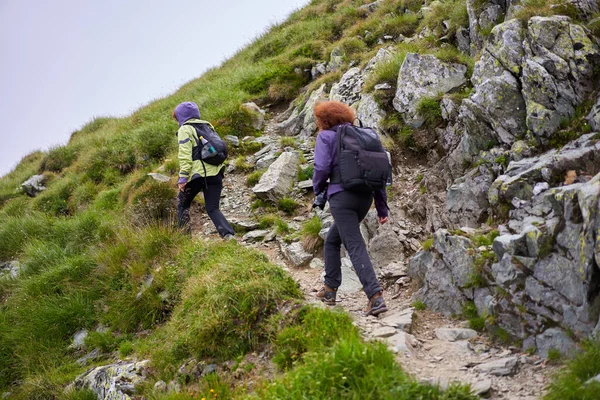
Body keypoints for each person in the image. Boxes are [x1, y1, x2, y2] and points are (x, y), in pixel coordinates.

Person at [312, 100, 389, 316]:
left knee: (354, 245)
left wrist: (318, 189)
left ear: (323, 120)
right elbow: (378, 172)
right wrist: (382, 208)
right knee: (332, 240)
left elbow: (321, 167)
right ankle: (329, 289)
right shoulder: (363, 136)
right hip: (364, 198)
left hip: (341, 198)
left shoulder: (326, 137)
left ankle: (375, 297)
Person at [173, 101, 235, 240]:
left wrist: (183, 178)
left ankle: (184, 241)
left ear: (181, 116)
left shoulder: (185, 129)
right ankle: (228, 235)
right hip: (216, 173)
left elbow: (185, 157)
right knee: (213, 208)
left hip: (197, 176)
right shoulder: (208, 126)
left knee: (183, 205)